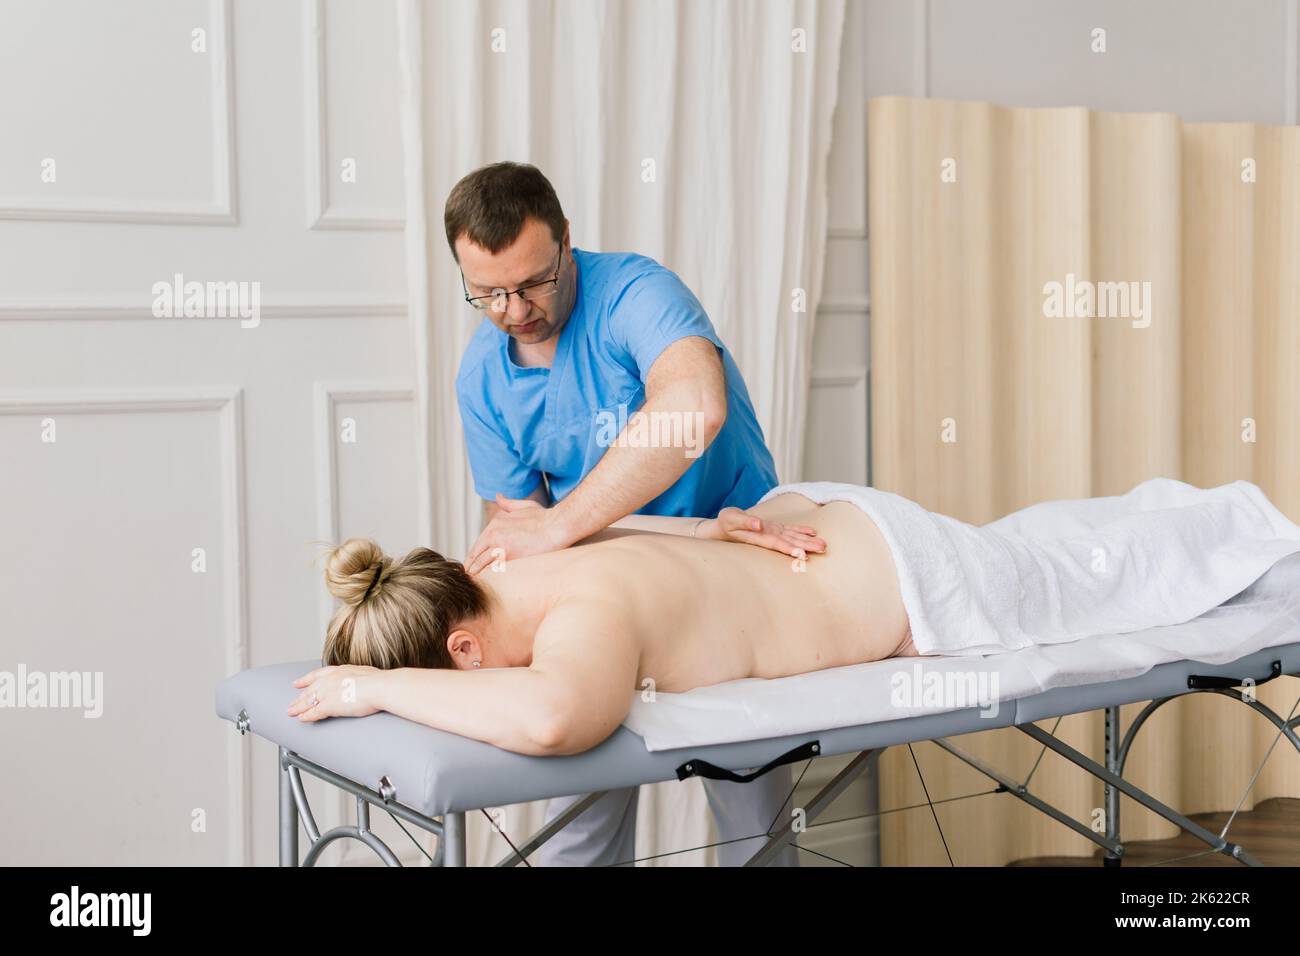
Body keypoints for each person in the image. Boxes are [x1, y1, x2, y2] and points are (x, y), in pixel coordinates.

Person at [442, 160, 789, 865]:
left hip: (726, 581)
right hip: (605, 599)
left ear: (567, 241)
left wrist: (562, 524)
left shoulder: (636, 292)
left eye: (534, 281)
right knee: (576, 828)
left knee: (754, 824)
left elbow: (694, 408)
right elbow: (518, 530)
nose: (515, 310)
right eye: (488, 294)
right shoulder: (483, 375)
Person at [289, 488, 913, 755]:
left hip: (902, 578)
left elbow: (553, 718)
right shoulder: (511, 555)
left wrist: (374, 687)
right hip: (819, 520)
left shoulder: (583, 615)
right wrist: (706, 530)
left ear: (464, 650)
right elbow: (608, 529)